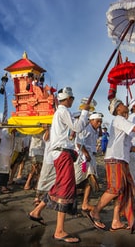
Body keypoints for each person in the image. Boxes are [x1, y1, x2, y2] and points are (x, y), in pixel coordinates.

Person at [86, 98, 135, 233]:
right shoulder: (118, 119)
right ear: (118, 109)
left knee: (123, 191)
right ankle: (95, 211)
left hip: (122, 158)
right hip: (115, 158)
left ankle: (116, 220)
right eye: (122, 104)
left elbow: (126, 141)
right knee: (115, 188)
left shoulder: (123, 121)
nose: (126, 106)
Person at [28, 87, 89, 243]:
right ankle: (59, 230)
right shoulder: (62, 111)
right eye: (72, 98)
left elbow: (72, 127)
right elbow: (77, 127)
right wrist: (85, 112)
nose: (72, 101)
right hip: (62, 154)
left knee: (59, 185)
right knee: (66, 188)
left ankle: (36, 211)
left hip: (60, 153)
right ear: (68, 99)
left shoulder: (61, 112)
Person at [74, 112, 103, 212]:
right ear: (91, 121)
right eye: (97, 121)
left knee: (90, 179)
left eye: (100, 122)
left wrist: (99, 126)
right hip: (83, 158)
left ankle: (85, 203)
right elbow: (78, 143)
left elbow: (100, 134)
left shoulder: (94, 130)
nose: (99, 123)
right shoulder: (86, 128)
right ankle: (68, 200)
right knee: (77, 180)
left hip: (91, 157)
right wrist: (86, 154)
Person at [0, 127, 17, 194]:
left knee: (6, 170)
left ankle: (1, 185)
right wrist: (12, 130)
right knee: (3, 170)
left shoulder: (11, 132)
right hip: (3, 152)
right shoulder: (5, 130)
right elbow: (8, 136)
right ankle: (2, 187)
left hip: (8, 152)